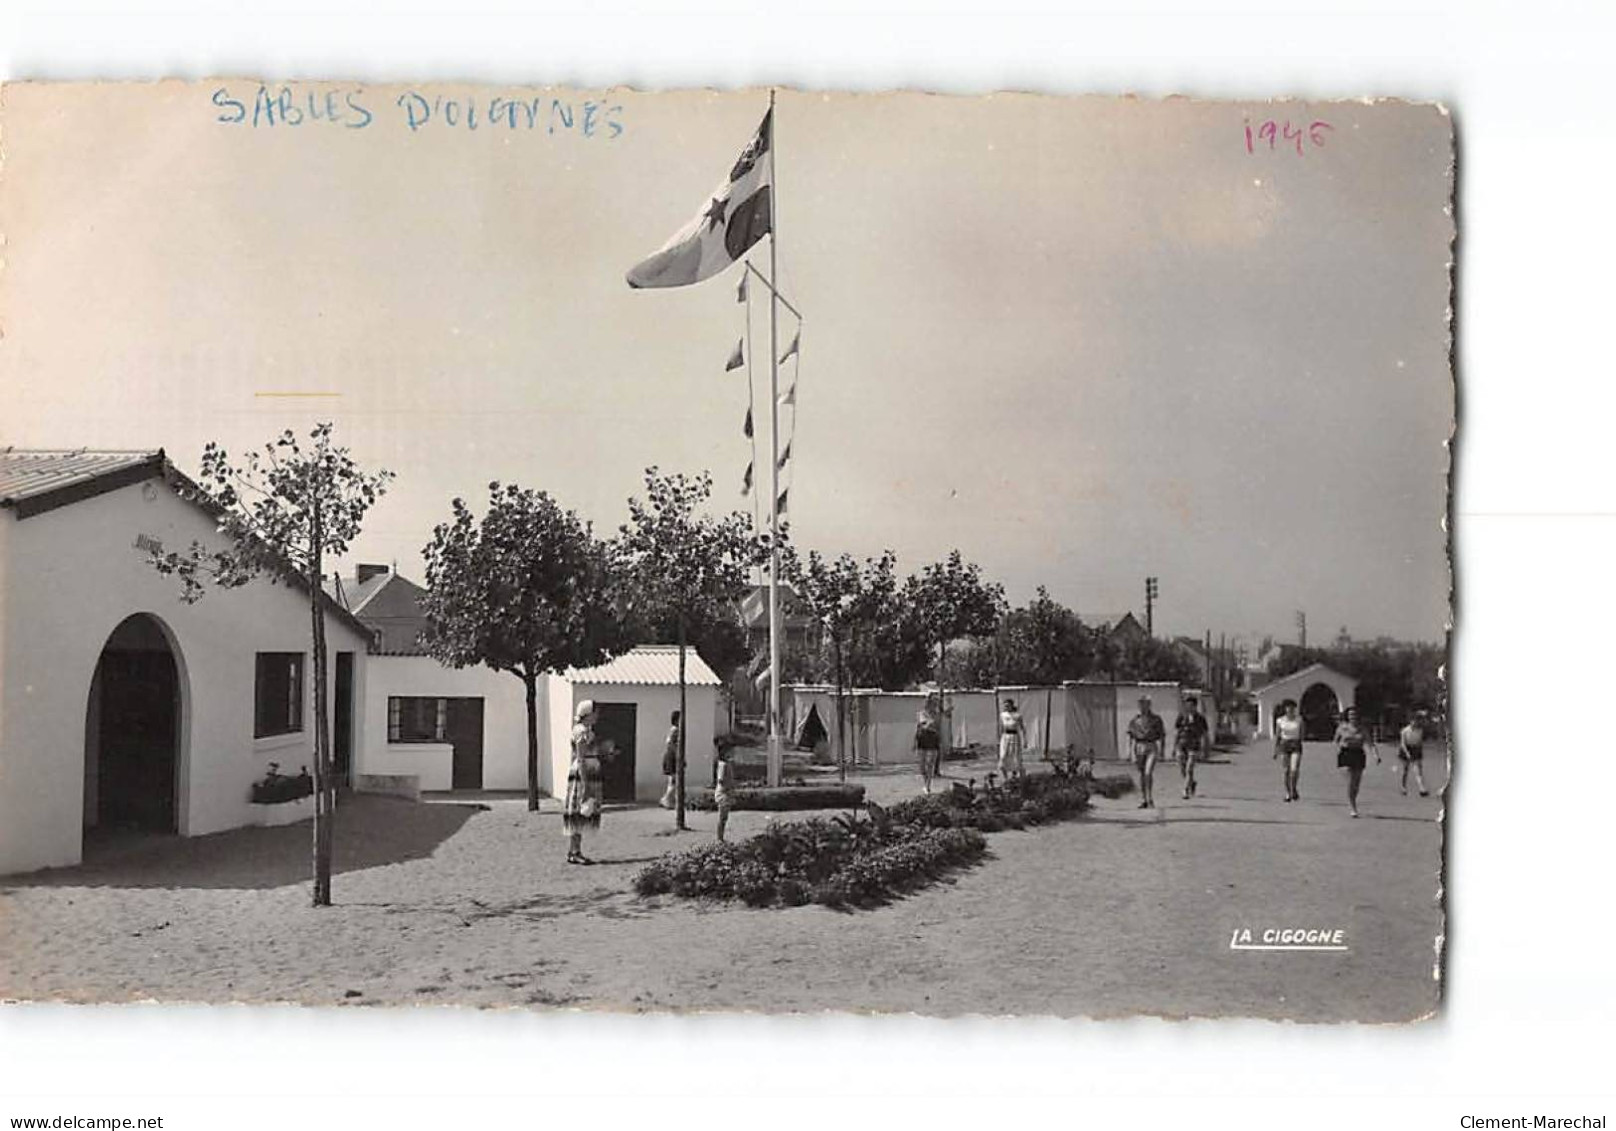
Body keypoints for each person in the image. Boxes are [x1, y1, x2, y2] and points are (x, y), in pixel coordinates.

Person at [563, 700, 610, 865]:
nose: (597, 716)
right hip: (584, 773)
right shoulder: (581, 731)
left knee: (583, 811)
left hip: (590, 771)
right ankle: (574, 851)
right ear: (587, 713)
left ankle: (575, 850)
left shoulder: (587, 731)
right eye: (594, 712)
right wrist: (585, 784)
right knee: (579, 810)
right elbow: (581, 758)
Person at [1333, 705, 1381, 818]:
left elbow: (1370, 743)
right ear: (1347, 716)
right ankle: (1352, 806)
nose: (1352, 717)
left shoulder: (1362, 729)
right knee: (1350, 780)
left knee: (1356, 783)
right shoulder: (1342, 727)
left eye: (1354, 715)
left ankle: (1353, 799)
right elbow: (1335, 740)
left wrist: (1376, 756)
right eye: (1350, 715)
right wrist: (1340, 746)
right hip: (1346, 754)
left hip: (1358, 754)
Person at [1126, 695, 1166, 808]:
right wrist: (1130, 752)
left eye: (1145, 703)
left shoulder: (1156, 719)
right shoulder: (1135, 720)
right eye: (1141, 704)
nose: (1143, 706)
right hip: (1139, 747)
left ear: (1149, 705)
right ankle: (1144, 798)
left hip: (1151, 746)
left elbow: (1162, 735)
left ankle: (1150, 797)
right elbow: (1131, 736)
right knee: (1142, 774)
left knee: (1148, 772)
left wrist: (1162, 750)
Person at [1174, 694, 1210, 799]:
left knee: (1189, 768)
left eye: (1190, 705)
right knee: (1182, 768)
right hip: (1181, 744)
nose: (1188, 707)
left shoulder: (1200, 718)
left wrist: (1206, 749)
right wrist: (1174, 746)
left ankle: (1185, 790)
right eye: (1186, 705)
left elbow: (1205, 734)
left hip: (1194, 745)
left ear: (1195, 706)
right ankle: (1191, 783)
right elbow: (1177, 731)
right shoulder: (1181, 716)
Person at [1272, 699, 1305, 802]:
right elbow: (1277, 735)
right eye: (1288, 707)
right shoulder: (1280, 720)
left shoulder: (1299, 720)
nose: (1290, 709)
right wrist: (1275, 750)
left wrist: (1299, 741)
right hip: (1284, 744)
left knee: (1294, 769)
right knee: (1286, 770)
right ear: (1285, 709)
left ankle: (1293, 788)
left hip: (1295, 744)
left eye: (1292, 707)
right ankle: (1288, 793)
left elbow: (1302, 734)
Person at [915, 692, 943, 793]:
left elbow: (936, 726)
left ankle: (927, 786)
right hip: (922, 739)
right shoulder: (921, 713)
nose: (930, 704)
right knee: (922, 765)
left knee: (930, 763)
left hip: (932, 739)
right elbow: (920, 726)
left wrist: (928, 725)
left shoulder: (937, 714)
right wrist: (914, 741)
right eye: (929, 702)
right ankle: (925, 781)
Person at [1398, 711, 1431, 797]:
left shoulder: (1420, 730)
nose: (1415, 723)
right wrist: (1407, 753)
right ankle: (1403, 787)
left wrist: (1419, 752)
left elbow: (1420, 742)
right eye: (1414, 721)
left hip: (1416, 749)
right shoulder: (1405, 731)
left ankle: (1422, 789)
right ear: (1410, 721)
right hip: (1406, 749)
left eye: (1417, 721)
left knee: (1418, 771)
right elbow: (1403, 744)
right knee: (1405, 770)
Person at [997, 698, 1027, 782]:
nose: (1006, 707)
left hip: (1014, 737)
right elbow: (1001, 727)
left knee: (1015, 756)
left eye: (1007, 705)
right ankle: (1005, 777)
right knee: (1003, 756)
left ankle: (1015, 775)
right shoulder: (1002, 715)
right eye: (1005, 705)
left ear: (1011, 705)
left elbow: (1022, 728)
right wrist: (999, 739)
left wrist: (1025, 740)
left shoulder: (1017, 715)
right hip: (1005, 736)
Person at [712, 741, 735, 842]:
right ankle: (719, 837)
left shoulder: (726, 763)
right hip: (723, 793)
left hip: (726, 792)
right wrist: (728, 786)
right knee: (722, 817)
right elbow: (720, 780)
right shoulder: (723, 765)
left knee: (724, 817)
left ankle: (721, 837)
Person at [660, 710, 681, 809]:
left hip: (671, 755)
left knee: (673, 780)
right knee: (674, 780)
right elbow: (670, 743)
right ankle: (666, 800)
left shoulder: (674, 729)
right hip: (672, 756)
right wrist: (677, 754)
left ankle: (668, 800)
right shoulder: (675, 730)